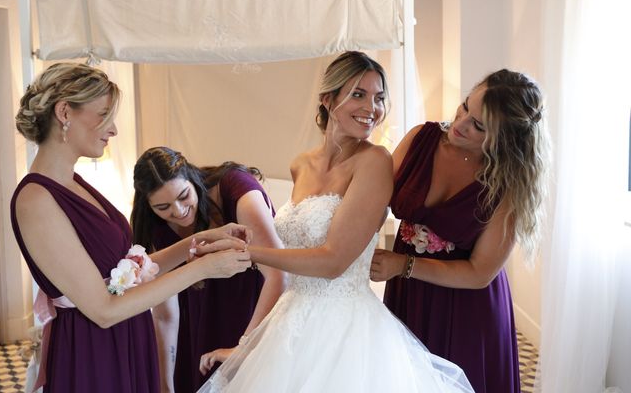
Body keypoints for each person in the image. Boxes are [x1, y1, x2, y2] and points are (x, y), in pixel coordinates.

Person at [196, 51, 474, 393]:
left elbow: (333, 261)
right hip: (290, 321)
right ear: (328, 99)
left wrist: (250, 252)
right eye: (358, 94)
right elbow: (294, 258)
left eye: (379, 98)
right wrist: (248, 344)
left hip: (346, 330)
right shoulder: (300, 164)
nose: (372, 107)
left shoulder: (374, 162)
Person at [11, 63, 252, 393]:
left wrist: (197, 241)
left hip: (127, 337)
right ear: (64, 112)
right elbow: (103, 309)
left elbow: (127, 272)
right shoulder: (35, 200)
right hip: (94, 351)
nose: (113, 130)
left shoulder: (75, 183)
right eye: (104, 115)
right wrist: (203, 269)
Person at [370, 69, 549, 393]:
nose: (460, 123)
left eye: (479, 126)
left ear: (506, 138)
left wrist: (403, 265)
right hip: (409, 296)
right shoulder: (419, 140)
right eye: (466, 106)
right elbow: (374, 202)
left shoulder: (508, 183)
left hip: (465, 309)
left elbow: (479, 273)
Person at [131, 147, 286, 392]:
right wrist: (165, 384)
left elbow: (279, 273)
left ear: (192, 179)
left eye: (184, 196)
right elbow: (164, 315)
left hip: (254, 314)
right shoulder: (155, 227)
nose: (178, 211)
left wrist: (243, 348)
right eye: (163, 207)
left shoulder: (235, 187)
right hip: (198, 327)